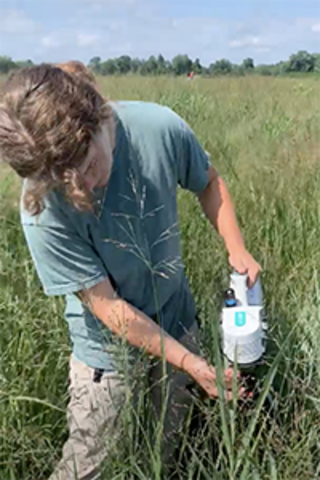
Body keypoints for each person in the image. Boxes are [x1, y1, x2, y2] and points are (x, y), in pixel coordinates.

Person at [0, 63, 261, 480]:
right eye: (60, 184)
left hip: (177, 319)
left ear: (99, 116)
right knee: (87, 466)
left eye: (87, 168)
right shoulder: (40, 207)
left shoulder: (158, 128)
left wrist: (237, 249)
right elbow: (110, 310)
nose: (80, 190)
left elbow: (209, 183)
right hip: (106, 353)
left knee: (164, 450)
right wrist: (191, 363)